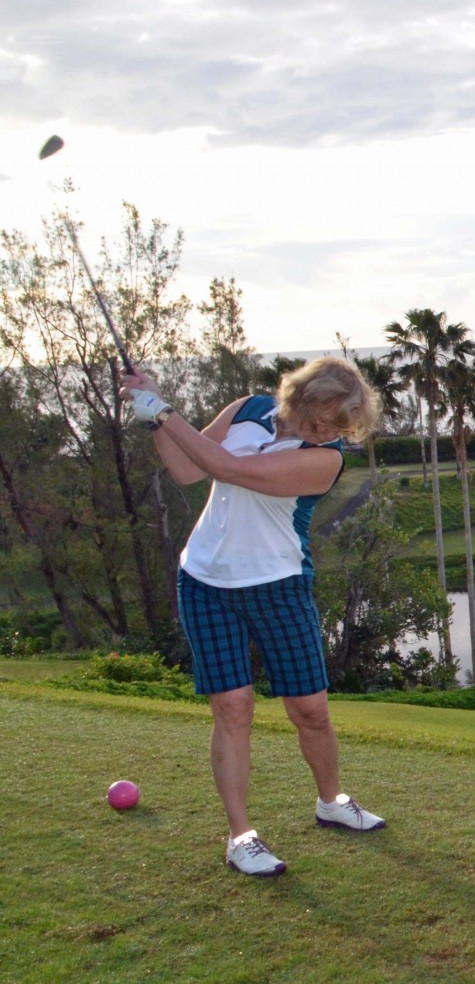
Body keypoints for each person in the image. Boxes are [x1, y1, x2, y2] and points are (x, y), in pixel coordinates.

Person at [122, 357, 388, 877]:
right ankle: (240, 836)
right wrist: (153, 415)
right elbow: (187, 467)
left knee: (310, 709)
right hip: (205, 581)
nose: (328, 429)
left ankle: (331, 801)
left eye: (340, 425)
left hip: (278, 585)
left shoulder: (323, 460)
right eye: (323, 416)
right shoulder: (247, 408)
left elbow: (231, 469)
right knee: (233, 707)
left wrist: (163, 409)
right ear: (302, 396)